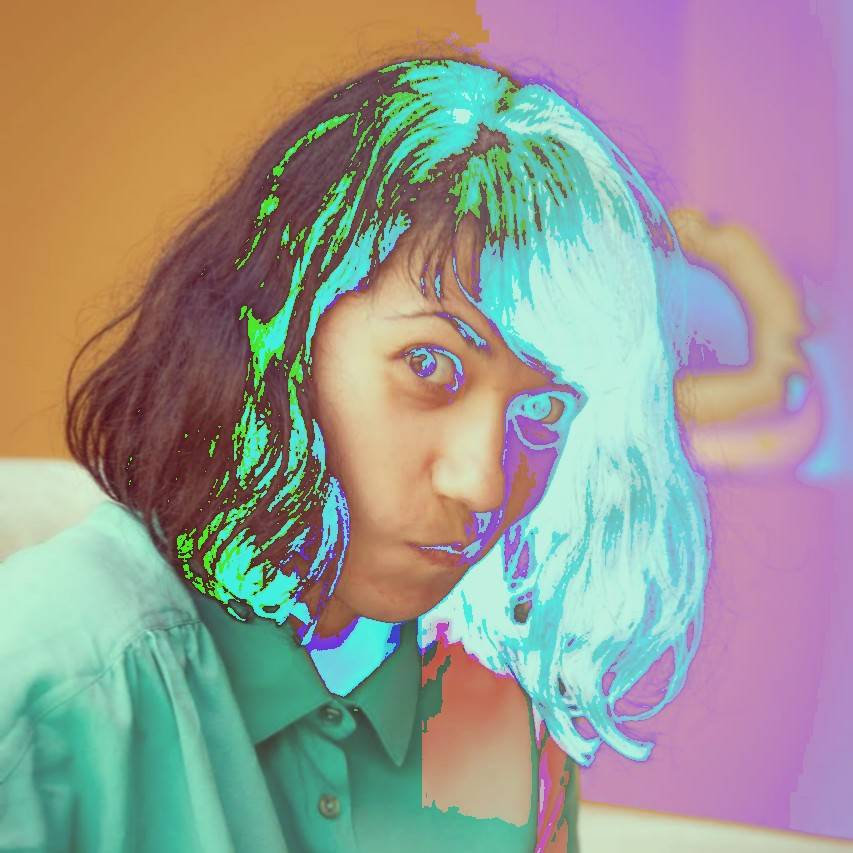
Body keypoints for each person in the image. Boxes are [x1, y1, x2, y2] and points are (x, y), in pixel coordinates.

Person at [0, 57, 711, 852]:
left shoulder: (511, 727)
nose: (482, 483)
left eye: (543, 410)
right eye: (429, 364)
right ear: (278, 331)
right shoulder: (41, 684)